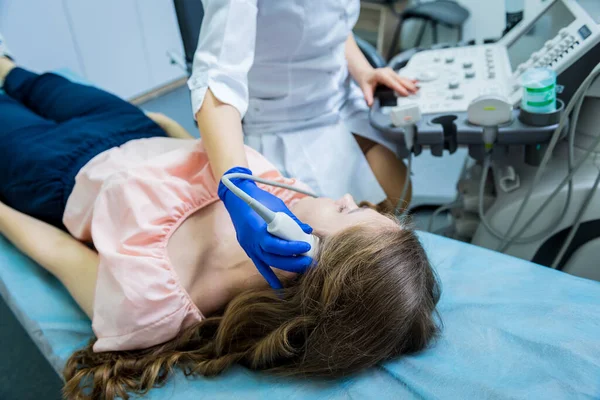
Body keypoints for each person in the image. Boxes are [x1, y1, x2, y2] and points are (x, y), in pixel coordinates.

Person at [0, 43, 439, 399]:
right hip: (129, 127)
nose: (345, 195)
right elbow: (203, 151)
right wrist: (168, 130)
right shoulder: (276, 194)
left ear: (308, 252)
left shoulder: (154, 301)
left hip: (50, 170)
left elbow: (54, 250)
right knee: (29, 81)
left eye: (348, 210)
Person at [191, 1, 419, 279]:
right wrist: (238, 188)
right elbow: (217, 78)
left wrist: (362, 70)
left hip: (340, 101)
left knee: (396, 192)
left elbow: (335, 21)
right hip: (282, 122)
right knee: (325, 257)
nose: (348, 199)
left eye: (349, 207)